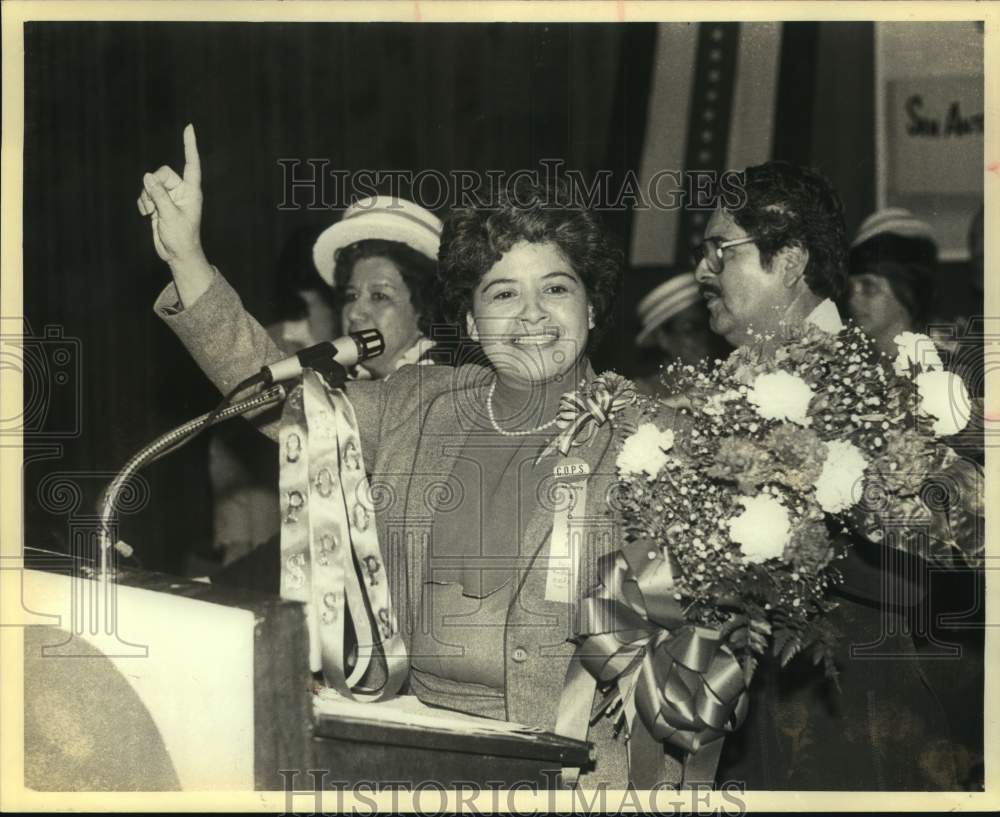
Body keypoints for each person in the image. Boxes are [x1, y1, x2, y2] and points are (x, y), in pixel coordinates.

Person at [138, 126, 641, 788]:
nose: (531, 314)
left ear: (592, 306)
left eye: (556, 288)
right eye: (502, 292)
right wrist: (189, 261)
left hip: (567, 767)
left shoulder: (646, 434)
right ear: (468, 321)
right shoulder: (418, 401)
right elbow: (283, 398)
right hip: (404, 740)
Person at [694, 161, 969, 790]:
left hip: (858, 733)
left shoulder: (886, 383)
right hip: (743, 740)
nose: (702, 272)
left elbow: (962, 539)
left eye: (720, 251)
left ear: (789, 260)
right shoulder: (721, 392)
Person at [845, 207, 938, 358]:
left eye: (868, 287)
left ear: (907, 289)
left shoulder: (939, 371)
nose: (853, 299)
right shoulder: (854, 367)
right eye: (849, 288)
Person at [633, 270, 729, 396]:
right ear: (663, 339)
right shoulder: (642, 394)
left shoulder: (732, 382)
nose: (705, 336)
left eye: (709, 325)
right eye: (691, 330)